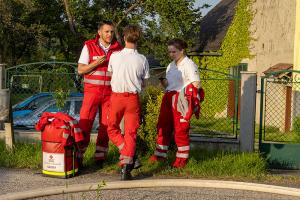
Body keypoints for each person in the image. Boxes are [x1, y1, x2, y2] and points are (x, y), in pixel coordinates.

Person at [149, 38, 201, 168]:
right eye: (169, 52)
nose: (171, 54)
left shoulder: (189, 64)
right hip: (168, 96)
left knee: (181, 129)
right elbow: (169, 83)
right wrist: (163, 82)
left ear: (182, 50)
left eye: (174, 52)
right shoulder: (171, 65)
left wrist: (187, 99)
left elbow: (196, 84)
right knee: (163, 125)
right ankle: (160, 155)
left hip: (181, 98)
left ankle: (181, 160)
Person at [77, 20, 123, 168]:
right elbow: (81, 70)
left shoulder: (118, 49)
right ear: (99, 32)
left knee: (106, 125)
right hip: (92, 92)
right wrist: (97, 63)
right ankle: (78, 157)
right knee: (85, 123)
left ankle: (100, 158)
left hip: (110, 93)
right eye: (107, 31)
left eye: (111, 32)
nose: (110, 34)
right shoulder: (89, 45)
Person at [107, 24, 150, 180]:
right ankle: (127, 166)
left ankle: (128, 155)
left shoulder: (114, 56)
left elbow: (111, 74)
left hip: (117, 97)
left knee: (111, 128)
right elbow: (144, 83)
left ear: (124, 37)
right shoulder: (143, 59)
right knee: (131, 133)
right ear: (138, 39)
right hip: (132, 99)